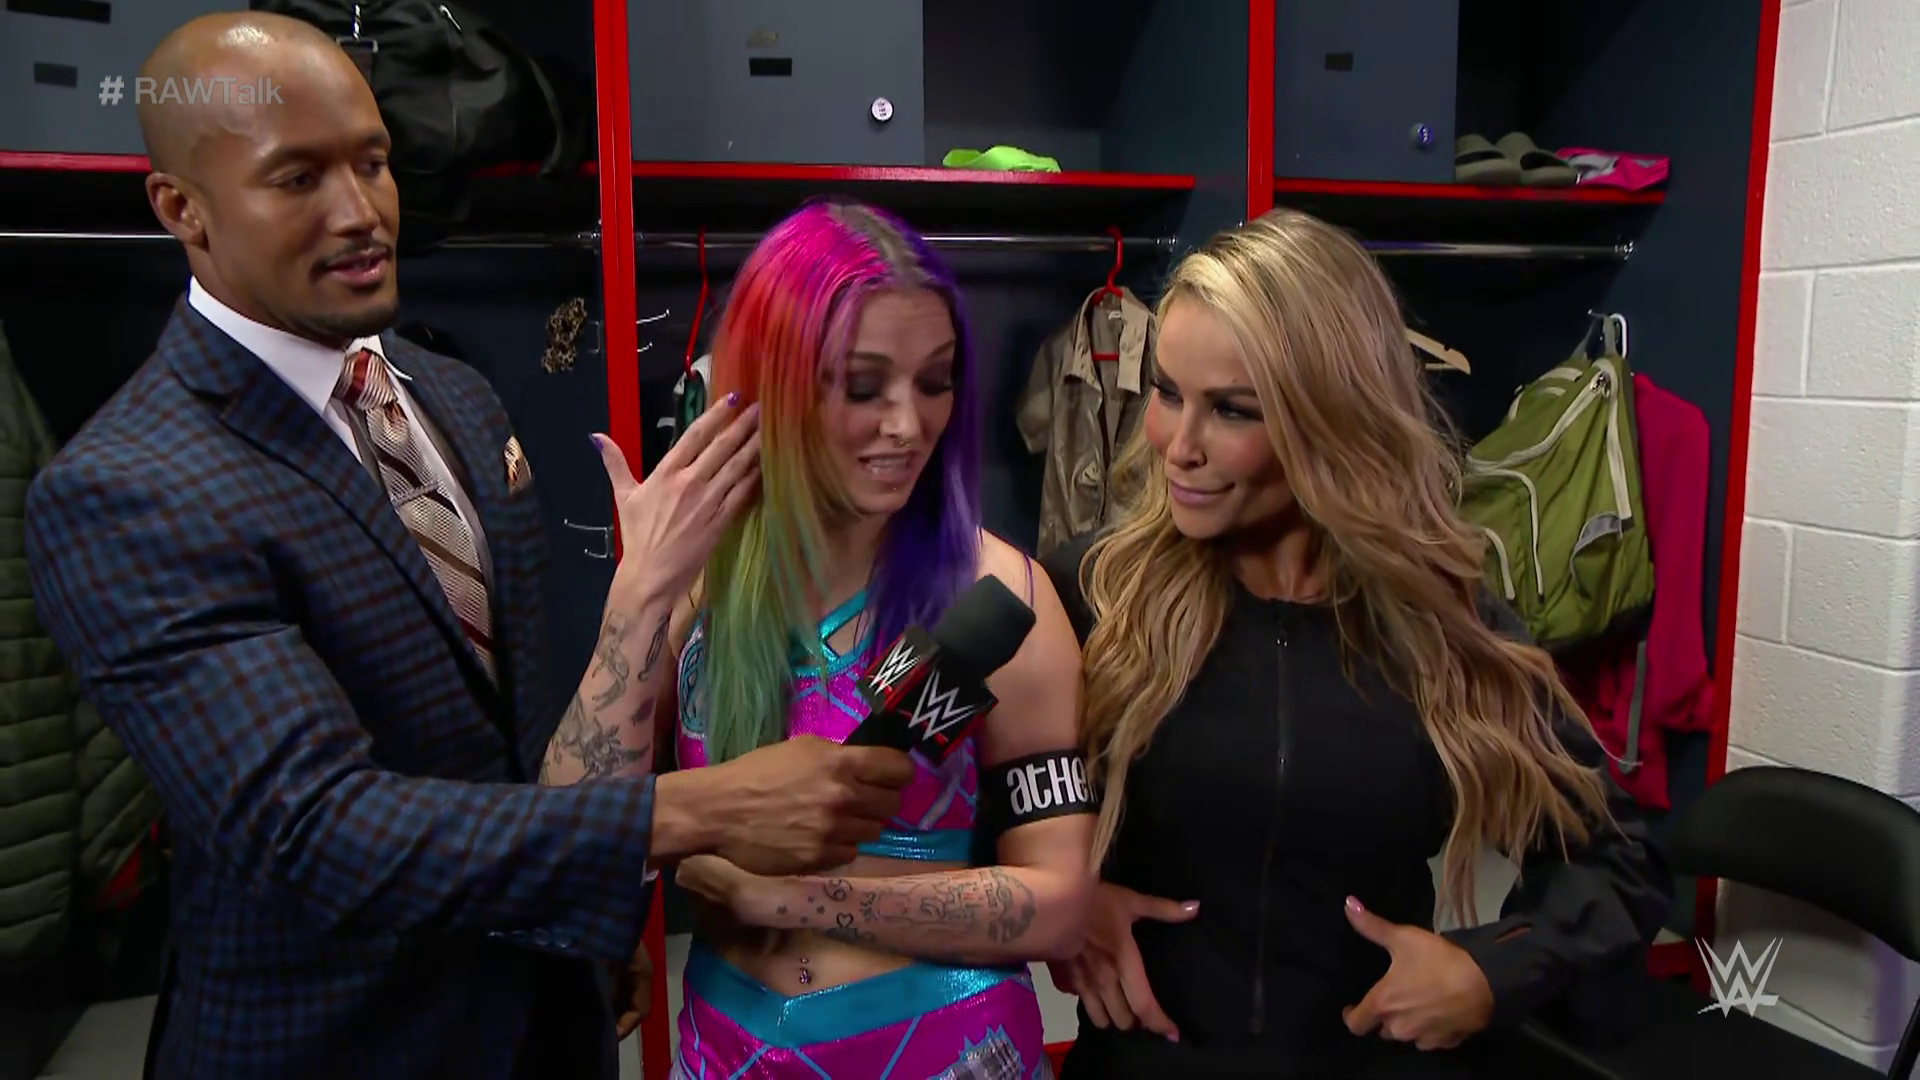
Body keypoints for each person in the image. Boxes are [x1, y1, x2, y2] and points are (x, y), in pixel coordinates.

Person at [22, 15, 914, 1080]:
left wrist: (580, 936)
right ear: (183, 209)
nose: (361, 212)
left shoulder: (453, 395)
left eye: (372, 162)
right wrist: (698, 810)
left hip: (547, 1019)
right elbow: (315, 829)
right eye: (297, 178)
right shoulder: (130, 487)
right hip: (339, 1048)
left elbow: (519, 727)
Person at [1040, 209, 1672, 1079]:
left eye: (1232, 410)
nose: (1177, 447)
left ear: (1330, 420)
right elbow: (946, 810)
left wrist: (1488, 970)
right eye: (1168, 392)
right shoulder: (1091, 595)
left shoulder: (1443, 627)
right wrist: (1059, 902)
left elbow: (1617, 860)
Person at [630, 199, 1095, 1078]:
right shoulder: (698, 590)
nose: (909, 426)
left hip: (948, 1054)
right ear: (774, 381)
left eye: (935, 381)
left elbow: (1060, 901)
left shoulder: (994, 599)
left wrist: (797, 900)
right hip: (721, 1052)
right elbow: (575, 830)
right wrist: (636, 593)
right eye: (864, 385)